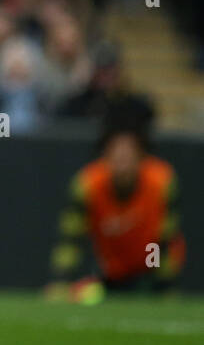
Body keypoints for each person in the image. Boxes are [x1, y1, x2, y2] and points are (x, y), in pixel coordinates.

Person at [46, 121, 185, 302]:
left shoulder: (161, 182)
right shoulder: (88, 184)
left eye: (128, 156)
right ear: (105, 157)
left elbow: (165, 239)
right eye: (116, 156)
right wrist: (61, 282)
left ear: (141, 158)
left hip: (149, 271)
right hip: (112, 273)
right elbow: (70, 238)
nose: (122, 164)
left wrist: (165, 286)